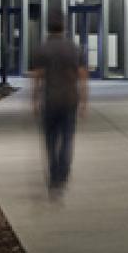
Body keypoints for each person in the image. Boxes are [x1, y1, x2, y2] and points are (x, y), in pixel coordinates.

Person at [30, 18, 88, 199]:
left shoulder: (42, 49)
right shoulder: (74, 48)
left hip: (50, 100)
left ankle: (54, 176)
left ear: (48, 27)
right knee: (67, 139)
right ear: (64, 27)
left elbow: (37, 77)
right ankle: (63, 173)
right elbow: (83, 77)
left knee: (50, 140)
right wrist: (85, 101)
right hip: (70, 100)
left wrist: (34, 100)